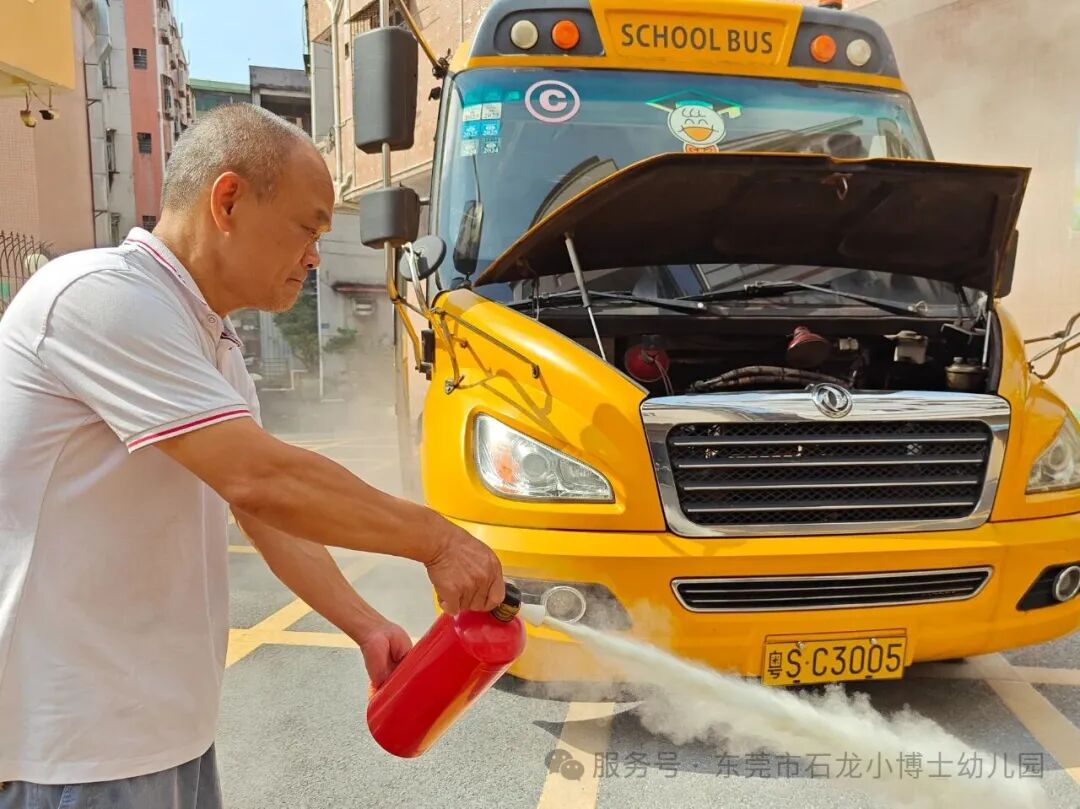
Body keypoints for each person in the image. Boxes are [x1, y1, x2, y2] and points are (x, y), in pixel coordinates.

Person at [0, 103, 504, 808]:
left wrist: (364, 623)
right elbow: (260, 478)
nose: (315, 255)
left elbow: (265, 513)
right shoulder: (100, 296)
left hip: (165, 732)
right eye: (308, 228)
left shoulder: (211, 343)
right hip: (77, 747)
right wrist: (439, 541)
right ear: (229, 201)